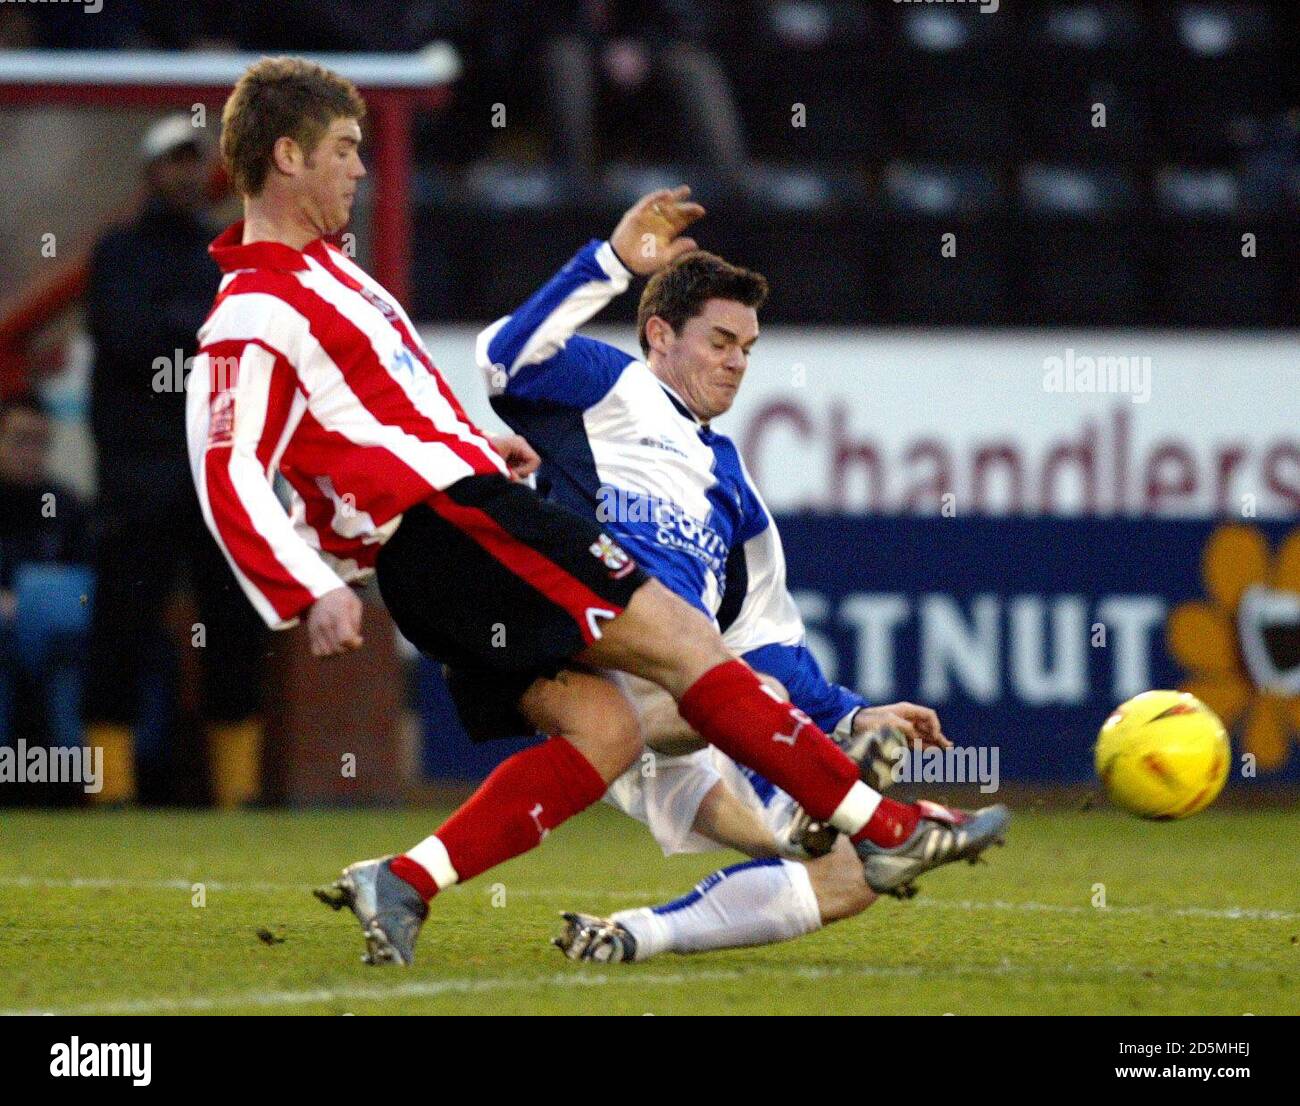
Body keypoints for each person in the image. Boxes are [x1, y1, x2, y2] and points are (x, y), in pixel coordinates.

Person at [194, 56, 1007, 967]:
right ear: (288, 155)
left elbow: (393, 409)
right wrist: (305, 590)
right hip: (449, 528)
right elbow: (227, 470)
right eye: (345, 150)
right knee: (687, 645)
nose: (359, 168)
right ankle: (884, 824)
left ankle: (406, 880)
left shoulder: (330, 277)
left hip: (447, 529)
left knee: (610, 730)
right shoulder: (253, 311)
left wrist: (476, 442)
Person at [473, 216, 995, 963]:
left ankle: (637, 933)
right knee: (739, 703)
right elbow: (502, 358)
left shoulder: (733, 488)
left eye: (747, 349)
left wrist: (852, 709)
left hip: (694, 700)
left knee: (852, 876)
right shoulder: (606, 386)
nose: (737, 364)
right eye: (720, 343)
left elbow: (766, 638)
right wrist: (611, 262)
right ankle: (851, 810)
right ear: (659, 335)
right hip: (589, 665)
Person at [83, 114, 268, 806]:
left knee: (234, 629)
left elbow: (241, 342)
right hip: (138, 477)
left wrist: (180, 328)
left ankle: (235, 794)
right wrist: (197, 331)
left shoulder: (226, 251)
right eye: (174, 161)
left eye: (196, 162)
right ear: (150, 171)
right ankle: (110, 790)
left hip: (216, 473)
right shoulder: (119, 251)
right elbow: (133, 340)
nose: (187, 173)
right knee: (121, 627)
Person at [0, 393, 93, 773]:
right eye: (20, 440)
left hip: (56, 638)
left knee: (76, 655)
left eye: (41, 442)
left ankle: (69, 783)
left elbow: (90, 580)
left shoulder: (64, 504)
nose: (31, 452)